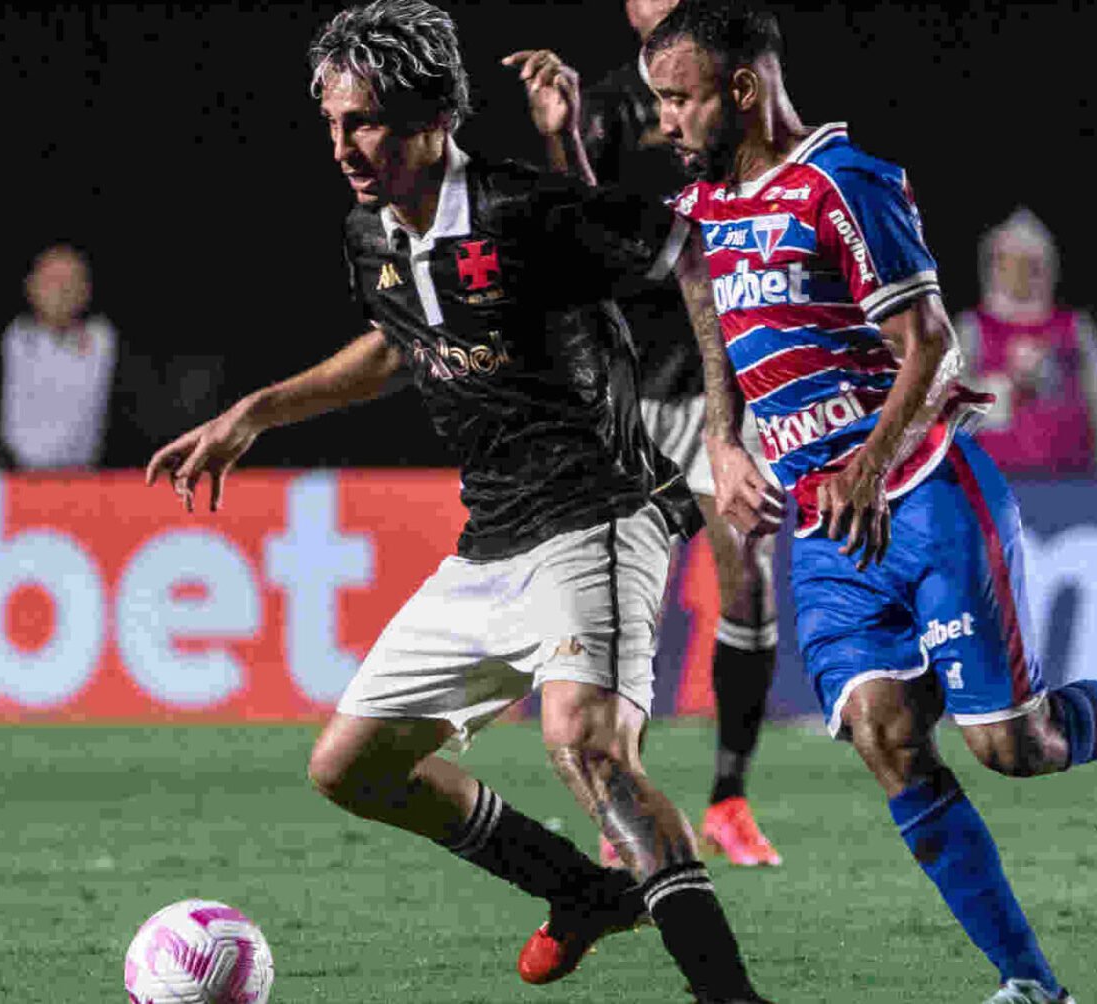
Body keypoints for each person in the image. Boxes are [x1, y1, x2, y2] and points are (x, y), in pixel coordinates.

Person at [642, 3, 1097, 1002]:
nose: (666, 121)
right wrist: (723, 441)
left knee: (1014, 746)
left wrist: (869, 459)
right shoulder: (705, 208)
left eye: (677, 99)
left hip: (924, 494)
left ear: (744, 88)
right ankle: (1031, 983)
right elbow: (711, 323)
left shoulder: (842, 184)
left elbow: (931, 342)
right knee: (887, 737)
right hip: (823, 523)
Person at [146, 3, 769, 1001]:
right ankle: (580, 890)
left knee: (584, 742)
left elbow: (689, 254)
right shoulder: (369, 234)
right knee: (351, 764)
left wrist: (726, 432)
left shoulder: (524, 207)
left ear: (436, 112)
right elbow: (400, 342)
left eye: (369, 122)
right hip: (492, 538)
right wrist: (258, 410)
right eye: (335, 122)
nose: (346, 146)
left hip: (602, 510)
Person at [509, 0, 781, 870]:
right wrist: (561, 137)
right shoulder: (611, 104)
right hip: (636, 381)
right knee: (630, 601)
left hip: (722, 379)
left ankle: (730, 798)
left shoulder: (733, 87)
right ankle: (622, 802)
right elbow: (583, 226)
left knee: (748, 584)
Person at [954, 208, 1097, 477]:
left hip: (1073, 479)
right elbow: (945, 407)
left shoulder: (1076, 328)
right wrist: (1005, 389)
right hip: (992, 485)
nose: (1021, 274)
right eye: (1011, 264)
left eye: (1031, 264)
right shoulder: (972, 328)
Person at [0, 245, 122, 471]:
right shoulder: (9, 339)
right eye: (52, 280)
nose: (61, 290)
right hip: (13, 474)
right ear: (31, 286)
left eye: (71, 280)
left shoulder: (105, 341)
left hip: (89, 478)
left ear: (87, 290)